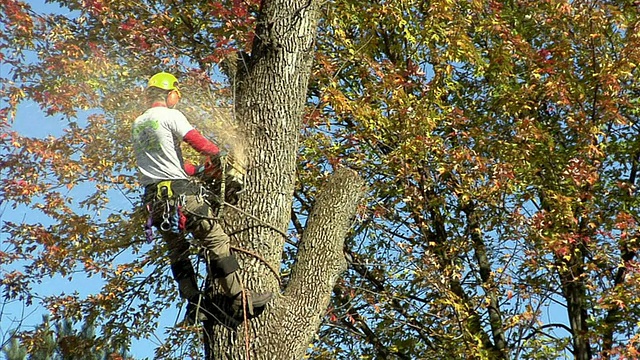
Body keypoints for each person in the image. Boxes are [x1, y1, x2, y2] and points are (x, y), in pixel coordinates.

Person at [131, 72, 272, 323]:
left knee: (177, 252)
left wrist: (199, 171)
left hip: (155, 202)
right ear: (170, 93)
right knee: (216, 240)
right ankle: (240, 297)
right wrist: (220, 155)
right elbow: (196, 141)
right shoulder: (171, 115)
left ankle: (195, 303)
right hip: (181, 196)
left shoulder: (139, 123)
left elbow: (168, 163)